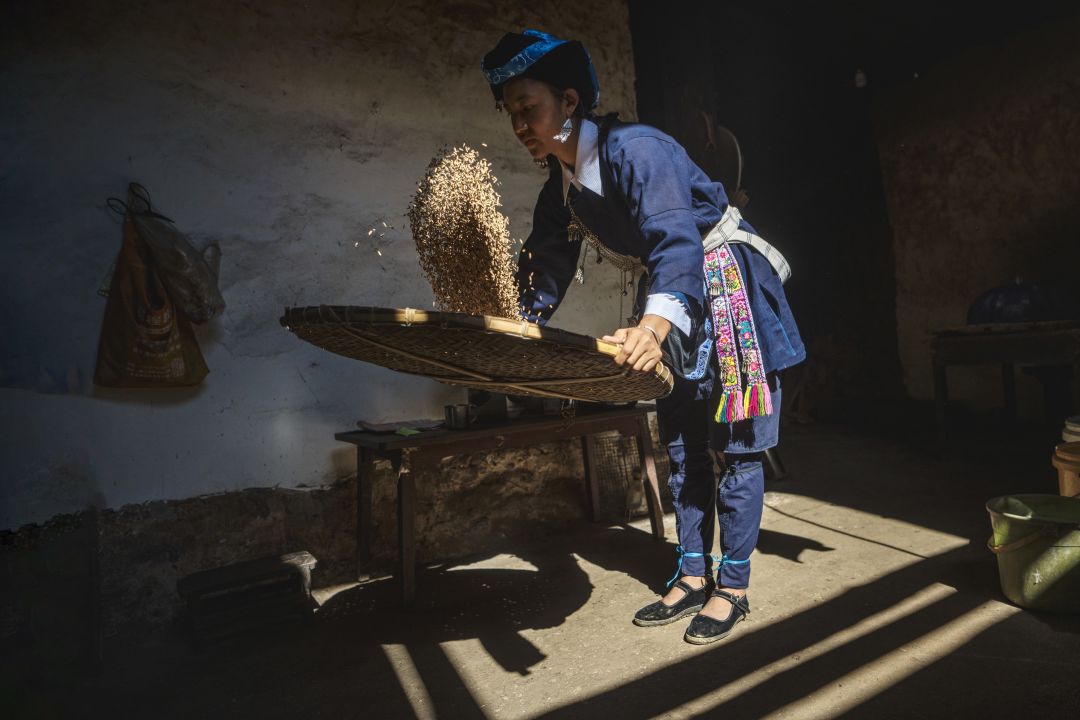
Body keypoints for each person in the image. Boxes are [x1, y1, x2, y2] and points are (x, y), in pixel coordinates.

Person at [481, 30, 805, 644]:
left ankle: (731, 586)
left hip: (719, 280)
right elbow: (544, 270)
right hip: (669, 292)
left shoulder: (639, 149)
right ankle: (689, 573)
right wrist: (509, 326)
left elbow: (676, 241)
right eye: (512, 114)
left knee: (735, 441)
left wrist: (653, 328)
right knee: (679, 439)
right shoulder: (562, 192)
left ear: (569, 99)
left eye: (530, 108)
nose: (520, 124)